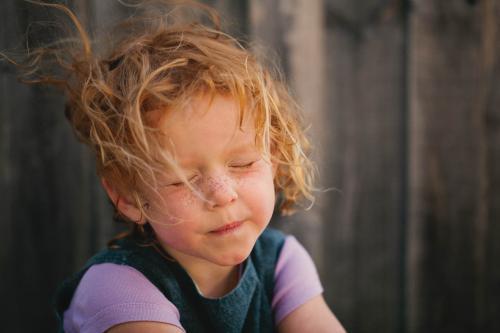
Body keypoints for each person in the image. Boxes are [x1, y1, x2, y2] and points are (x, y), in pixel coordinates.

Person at [9, 1, 346, 332]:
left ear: (274, 158)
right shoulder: (118, 290)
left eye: (242, 163)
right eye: (183, 179)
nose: (222, 194)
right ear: (129, 195)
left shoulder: (281, 261)